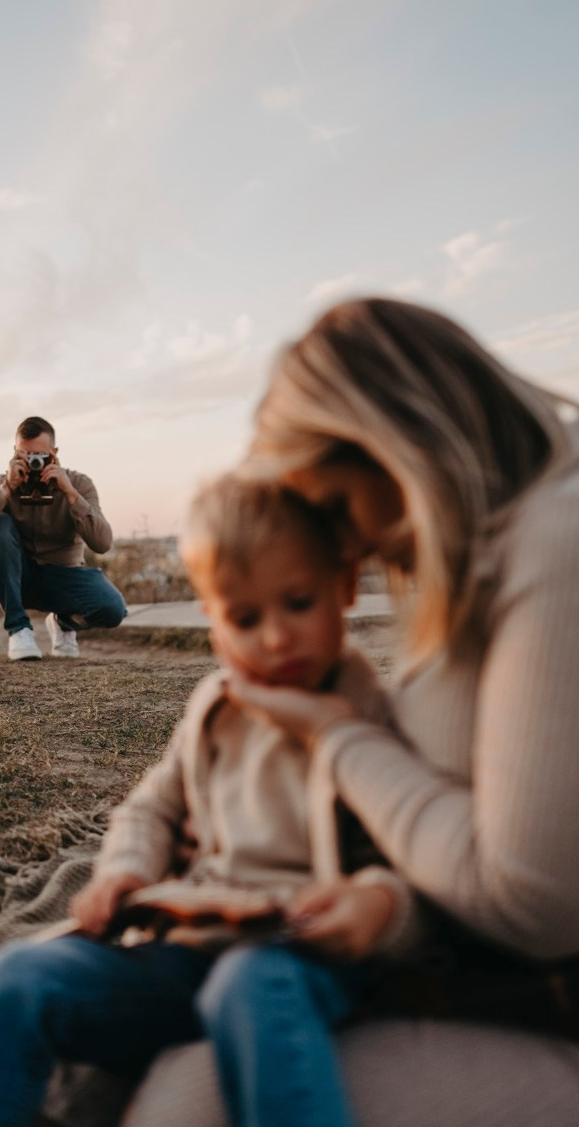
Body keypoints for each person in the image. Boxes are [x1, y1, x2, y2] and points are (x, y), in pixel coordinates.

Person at [119, 297, 579, 1127]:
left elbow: (527, 903)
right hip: (463, 975)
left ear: (401, 437)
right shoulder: (491, 552)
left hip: (540, 1001)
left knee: (186, 1103)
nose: (351, 548)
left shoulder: (558, 542)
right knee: (188, 1070)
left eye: (335, 508)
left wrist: (335, 735)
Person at [0, 474, 424, 1127]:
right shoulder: (216, 707)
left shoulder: (370, 718)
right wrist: (125, 870)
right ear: (215, 624)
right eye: (246, 619)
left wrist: (379, 905)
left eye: (298, 604)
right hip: (195, 949)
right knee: (22, 975)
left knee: (250, 985)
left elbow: (414, 860)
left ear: (345, 588)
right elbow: (152, 808)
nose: (275, 638)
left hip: (303, 958)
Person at [0, 416, 126, 661]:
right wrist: (5, 489)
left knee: (113, 608)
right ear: (14, 452)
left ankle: (63, 622)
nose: (33, 463)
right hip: (14, 578)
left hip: (62, 578)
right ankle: (19, 630)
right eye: (26, 455)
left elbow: (103, 543)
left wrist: (70, 494)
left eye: (41, 456)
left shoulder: (78, 484)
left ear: (54, 453)